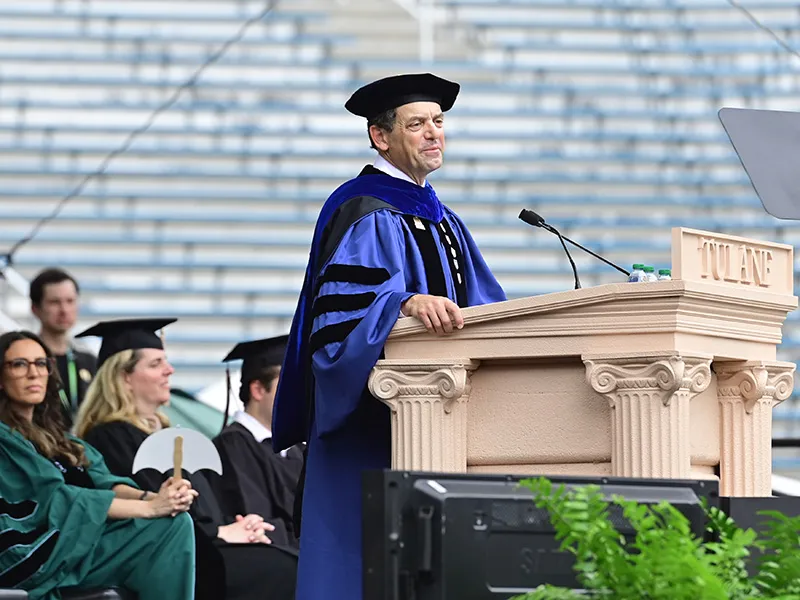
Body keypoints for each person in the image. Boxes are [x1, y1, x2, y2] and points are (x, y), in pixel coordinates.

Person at [271, 73, 507, 599]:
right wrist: (401, 302)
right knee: (362, 562)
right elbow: (340, 316)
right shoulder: (362, 207)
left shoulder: (442, 217)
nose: (433, 134)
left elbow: (488, 304)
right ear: (381, 137)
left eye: (439, 123)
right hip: (373, 416)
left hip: (443, 412)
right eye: (417, 124)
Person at [73, 318, 298, 600]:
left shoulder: (166, 434)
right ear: (124, 376)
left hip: (206, 545)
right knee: (284, 570)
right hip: (177, 553)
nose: (170, 370)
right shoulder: (111, 436)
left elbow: (205, 503)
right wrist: (220, 532)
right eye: (155, 364)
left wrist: (239, 524)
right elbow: (158, 509)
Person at [0, 330, 196, 600]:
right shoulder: (4, 440)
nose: (33, 373)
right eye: (19, 364)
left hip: (83, 540)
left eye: (41, 363)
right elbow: (60, 498)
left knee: (175, 520)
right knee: (168, 529)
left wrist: (157, 497)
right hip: (43, 551)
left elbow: (106, 483)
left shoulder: (63, 440)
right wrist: (149, 508)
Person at [213, 335, 303, 549]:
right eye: (288, 384)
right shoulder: (233, 446)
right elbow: (258, 523)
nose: (299, 395)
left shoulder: (297, 449)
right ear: (258, 390)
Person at [29, 268, 97, 428]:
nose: (64, 310)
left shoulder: (89, 361)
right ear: (35, 309)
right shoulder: (26, 360)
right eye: (54, 302)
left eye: (70, 301)